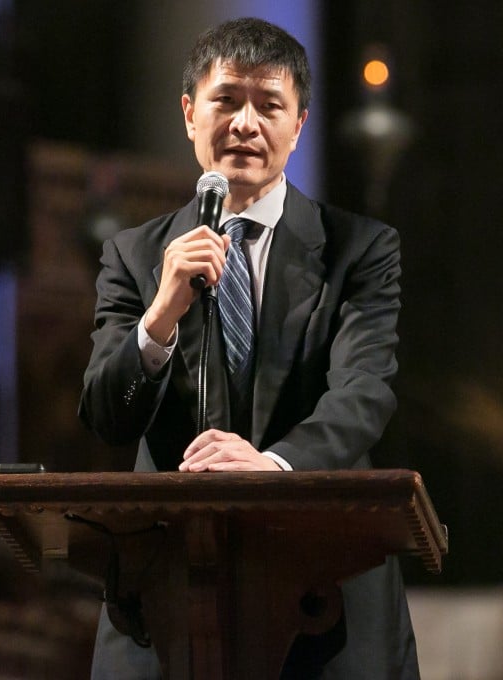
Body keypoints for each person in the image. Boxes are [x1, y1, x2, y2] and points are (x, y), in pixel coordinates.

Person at [79, 16, 419, 680]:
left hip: (324, 582)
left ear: (299, 125)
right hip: (165, 588)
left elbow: (363, 394)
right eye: (227, 100)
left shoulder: (359, 250)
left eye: (269, 105)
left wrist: (272, 466)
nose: (245, 123)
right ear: (189, 113)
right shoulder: (134, 256)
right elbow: (105, 414)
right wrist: (160, 315)